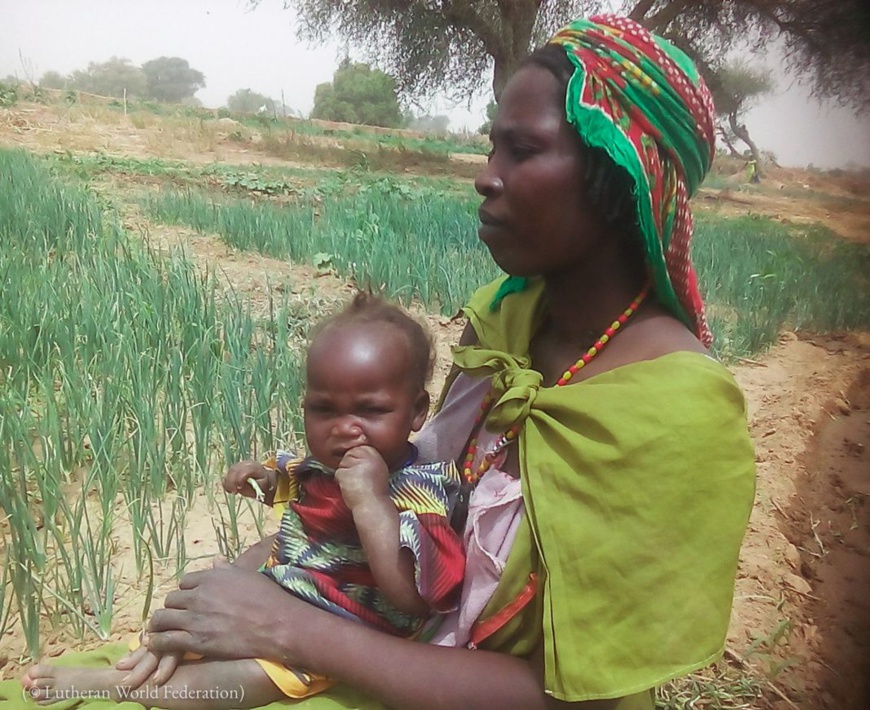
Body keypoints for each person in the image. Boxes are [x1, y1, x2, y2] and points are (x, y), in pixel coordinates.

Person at [14, 14, 755, 710]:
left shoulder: (679, 414)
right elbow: (411, 483)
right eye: (491, 145)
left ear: (622, 178)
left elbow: (563, 693)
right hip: (385, 639)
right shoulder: (507, 320)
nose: (486, 175)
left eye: (523, 151)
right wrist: (272, 564)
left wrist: (290, 628)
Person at [22, 293, 465, 708]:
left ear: (417, 412)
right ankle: (151, 654)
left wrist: (371, 502)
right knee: (197, 615)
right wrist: (266, 480)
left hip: (343, 625)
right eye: (324, 409)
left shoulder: (420, 488)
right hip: (284, 586)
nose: (344, 429)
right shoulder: (327, 463)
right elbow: (299, 479)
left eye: (370, 411)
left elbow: (411, 597)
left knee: (250, 679)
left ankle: (121, 688)